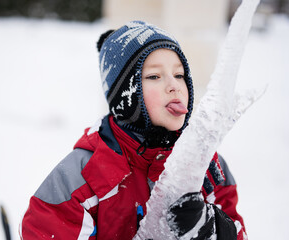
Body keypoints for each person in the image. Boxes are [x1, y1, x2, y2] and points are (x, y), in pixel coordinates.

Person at [20, 21, 247, 240]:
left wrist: (213, 229)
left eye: (179, 75)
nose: (174, 85)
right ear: (126, 96)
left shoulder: (206, 166)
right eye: (154, 76)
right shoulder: (81, 178)